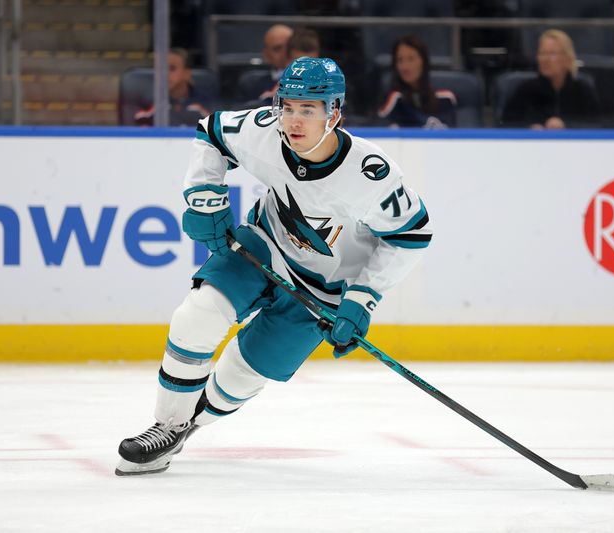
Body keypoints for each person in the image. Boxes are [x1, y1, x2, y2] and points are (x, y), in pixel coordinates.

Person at [115, 57, 433, 476]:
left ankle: (185, 429)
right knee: (197, 316)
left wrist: (362, 299)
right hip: (264, 248)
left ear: (333, 112)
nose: (293, 120)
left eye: (308, 109)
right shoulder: (263, 130)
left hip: (322, 294)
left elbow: (410, 235)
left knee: (239, 379)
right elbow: (211, 132)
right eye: (288, 106)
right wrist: (204, 195)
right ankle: (165, 425)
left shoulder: (370, 176)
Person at [502, 29, 600, 129]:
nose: (545, 59)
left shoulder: (582, 90)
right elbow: (506, 124)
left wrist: (566, 126)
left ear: (567, 58)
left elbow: (598, 125)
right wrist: (529, 128)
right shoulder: (525, 90)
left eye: (552, 54)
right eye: (542, 53)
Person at [377, 35, 457, 129]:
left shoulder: (445, 99)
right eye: (400, 60)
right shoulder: (393, 100)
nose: (405, 67)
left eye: (411, 59)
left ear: (424, 61)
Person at [134, 48, 211, 127]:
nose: (165, 74)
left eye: (172, 68)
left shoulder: (207, 104)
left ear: (187, 73)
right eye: (161, 69)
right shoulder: (147, 104)